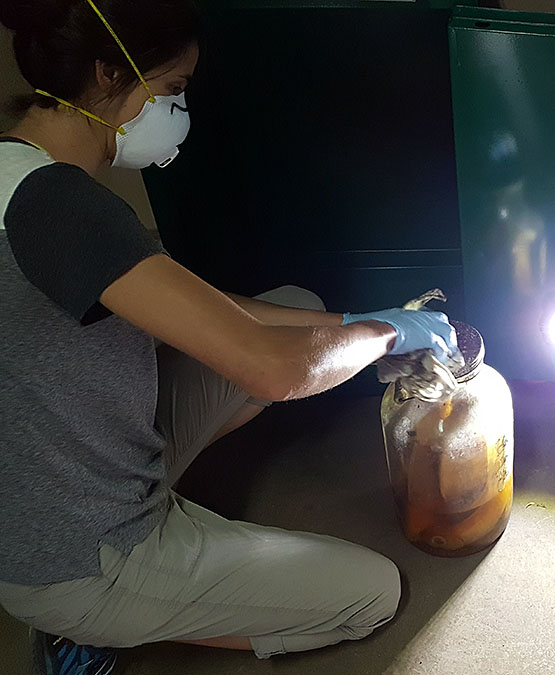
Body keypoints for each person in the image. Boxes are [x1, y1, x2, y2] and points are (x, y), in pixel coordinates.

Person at [0, 1, 459, 673]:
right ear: (106, 73)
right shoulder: (70, 211)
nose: (179, 112)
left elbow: (216, 312)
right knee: (372, 594)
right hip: (78, 553)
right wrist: (387, 334)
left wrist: (351, 323)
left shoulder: (19, 172)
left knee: (296, 307)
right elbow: (274, 370)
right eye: (173, 90)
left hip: (57, 469)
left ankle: (131, 573)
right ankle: (97, 629)